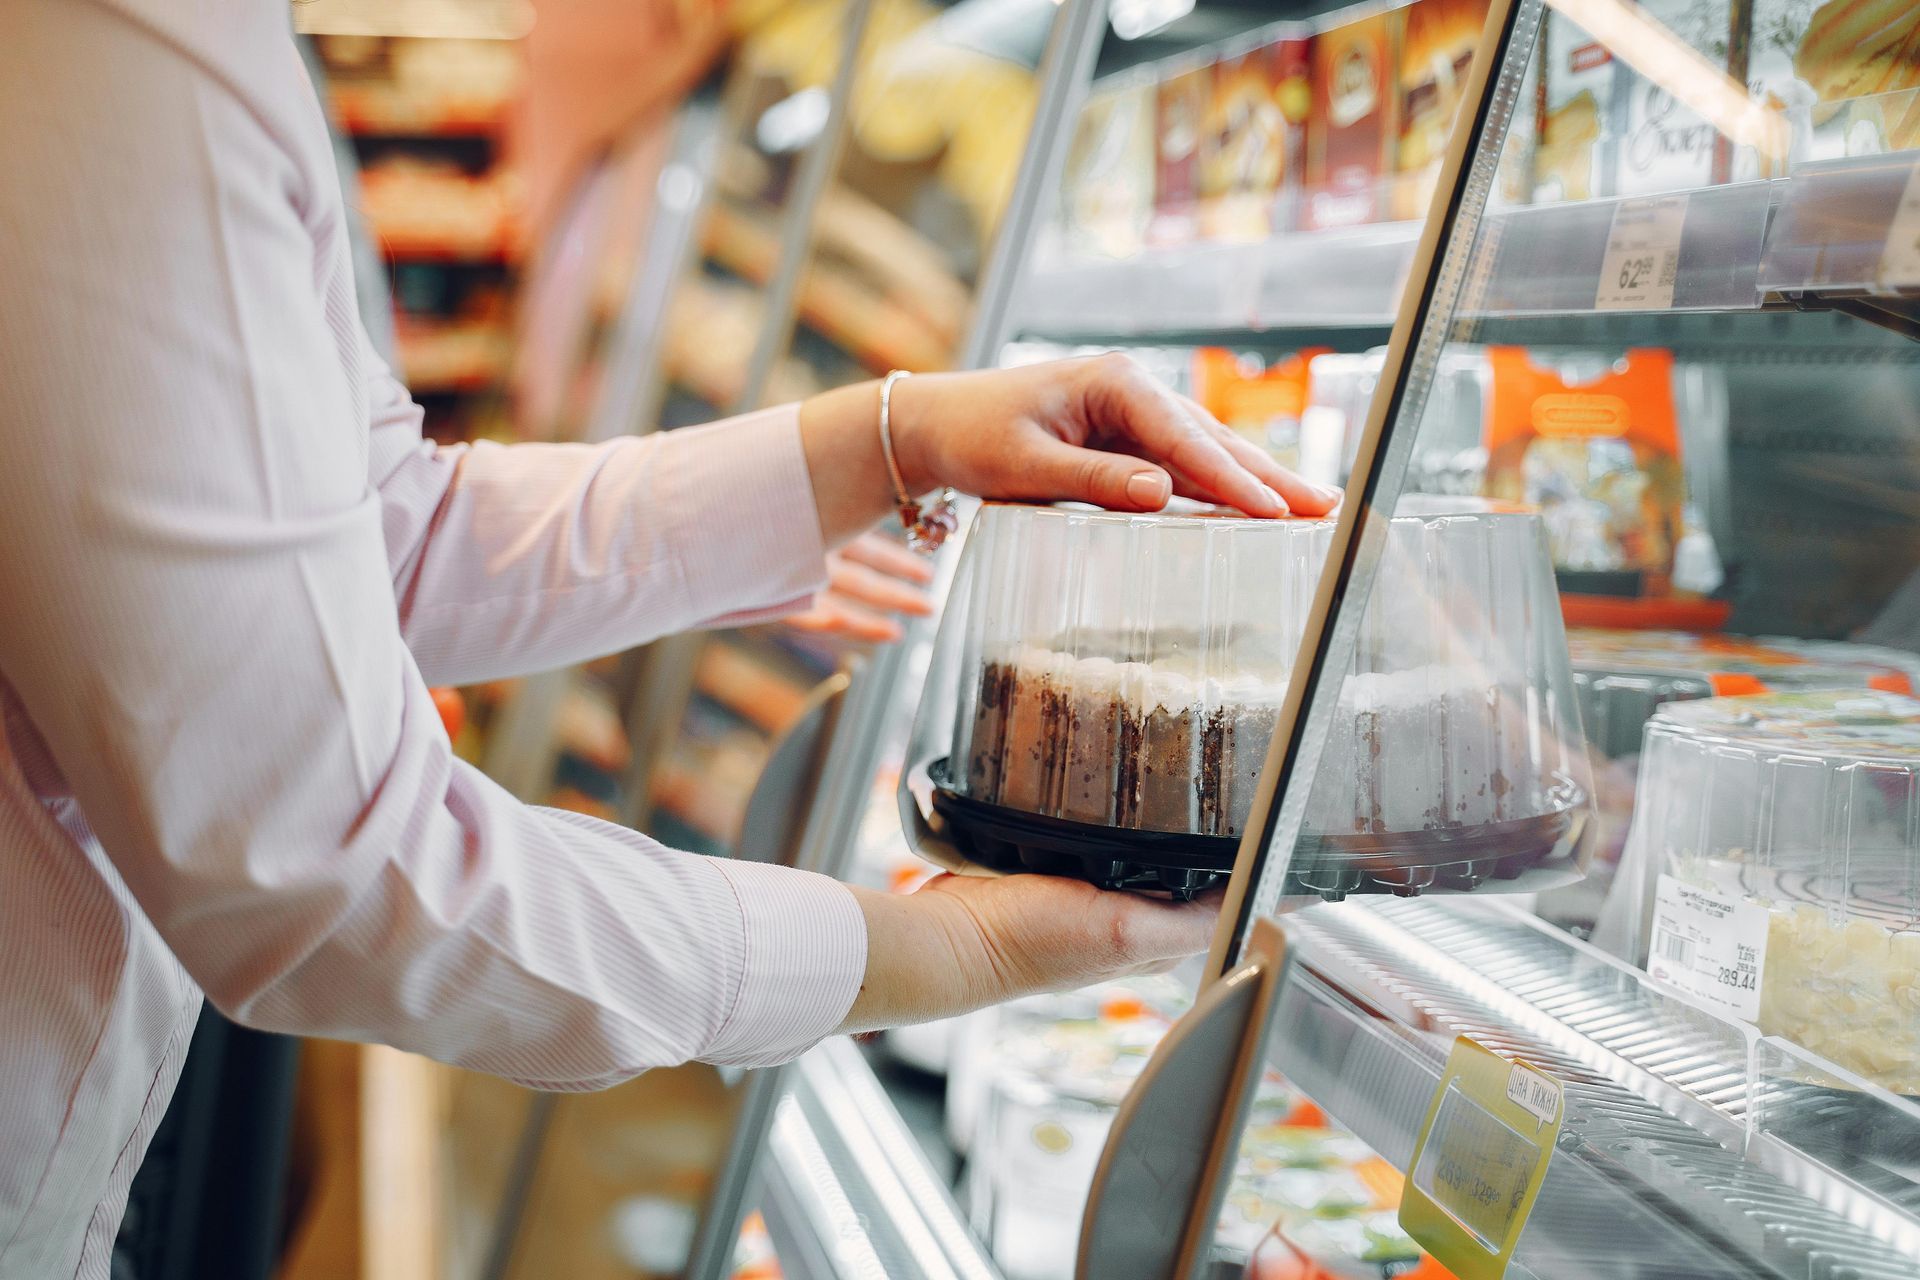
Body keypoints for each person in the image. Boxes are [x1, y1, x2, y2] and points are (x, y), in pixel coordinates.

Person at [0, 3, 1340, 1276]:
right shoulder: (125, 49)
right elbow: (331, 871)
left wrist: (880, 443)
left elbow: (369, 531)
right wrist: (940, 952)